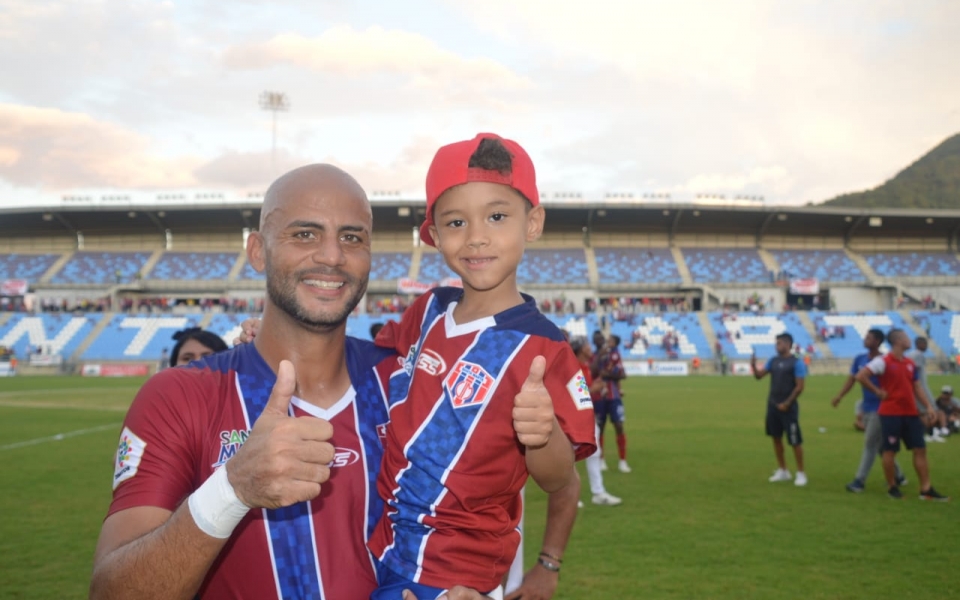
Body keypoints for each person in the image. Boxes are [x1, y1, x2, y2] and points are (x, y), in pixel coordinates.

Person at [90, 164, 563, 600]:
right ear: (258, 250)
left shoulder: (407, 380)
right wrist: (231, 490)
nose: (333, 255)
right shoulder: (179, 396)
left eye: (353, 238)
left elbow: (487, 502)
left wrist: (461, 590)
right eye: (304, 233)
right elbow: (113, 591)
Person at [367, 133, 597, 599]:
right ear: (433, 234)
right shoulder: (428, 309)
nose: (476, 236)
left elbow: (559, 481)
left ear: (532, 223)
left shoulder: (546, 349)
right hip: (377, 546)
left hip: (454, 576)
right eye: (456, 221)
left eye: (496, 216)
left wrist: (543, 432)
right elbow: (363, 359)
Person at [854, 328, 949, 501]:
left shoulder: (909, 363)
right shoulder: (883, 361)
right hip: (890, 414)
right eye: (905, 337)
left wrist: (928, 406)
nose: (908, 340)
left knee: (920, 449)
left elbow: (917, 387)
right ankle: (892, 487)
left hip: (910, 413)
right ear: (898, 340)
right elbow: (861, 376)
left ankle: (926, 489)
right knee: (890, 451)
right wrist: (877, 391)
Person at [830, 329, 906, 493]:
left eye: (869, 338)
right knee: (879, 445)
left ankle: (859, 481)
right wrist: (839, 396)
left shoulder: (884, 360)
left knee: (870, 443)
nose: (865, 339)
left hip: (881, 408)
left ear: (878, 341)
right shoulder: (860, 359)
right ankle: (899, 476)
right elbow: (851, 380)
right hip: (867, 408)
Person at [570, 336, 622, 506]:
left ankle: (598, 492)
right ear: (580, 348)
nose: (589, 347)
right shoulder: (574, 367)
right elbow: (578, 394)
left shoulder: (584, 366)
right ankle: (571, 496)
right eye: (586, 345)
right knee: (569, 457)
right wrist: (595, 389)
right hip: (573, 419)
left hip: (586, 417)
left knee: (594, 453)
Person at [751, 333, 808, 486]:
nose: (777, 346)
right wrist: (753, 365)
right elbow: (759, 376)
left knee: (795, 441)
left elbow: (800, 387)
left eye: (780, 343)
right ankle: (783, 470)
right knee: (776, 438)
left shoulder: (796, 362)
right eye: (776, 343)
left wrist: (787, 403)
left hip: (788, 408)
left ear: (788, 344)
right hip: (773, 406)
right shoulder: (773, 361)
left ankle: (801, 473)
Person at [592, 334, 630, 473]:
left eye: (604, 340)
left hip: (614, 396)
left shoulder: (613, 354)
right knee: (600, 427)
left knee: (619, 425)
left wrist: (608, 376)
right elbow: (593, 372)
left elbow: (622, 374)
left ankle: (623, 461)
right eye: (599, 339)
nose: (602, 341)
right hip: (599, 396)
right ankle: (601, 460)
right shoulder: (594, 355)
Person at [905, 336, 945, 442]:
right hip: (921, 387)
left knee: (922, 412)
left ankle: (927, 432)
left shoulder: (911, 355)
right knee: (932, 409)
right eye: (925, 344)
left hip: (916, 388)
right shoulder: (918, 355)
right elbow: (915, 370)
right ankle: (932, 433)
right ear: (919, 344)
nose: (926, 347)